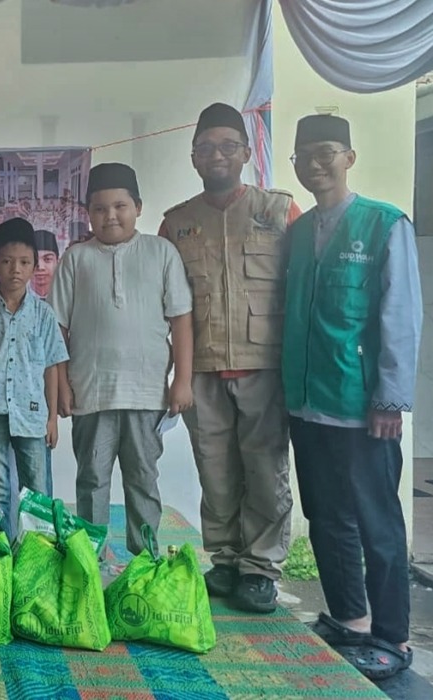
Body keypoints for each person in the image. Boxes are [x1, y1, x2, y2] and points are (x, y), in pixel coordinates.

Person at [283, 114, 422, 680]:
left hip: (362, 407)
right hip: (305, 400)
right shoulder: (297, 232)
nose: (316, 164)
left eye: (327, 152)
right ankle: (349, 618)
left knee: (376, 522)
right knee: (325, 516)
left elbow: (401, 315)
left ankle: (393, 638)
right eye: (305, 156)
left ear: (348, 157)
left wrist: (390, 398)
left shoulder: (384, 224)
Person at [159, 103, 301, 613]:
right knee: (214, 469)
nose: (215, 155)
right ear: (193, 157)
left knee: (265, 469)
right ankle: (224, 559)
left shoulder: (279, 211)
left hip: (265, 369)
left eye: (226, 146)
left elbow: (302, 292)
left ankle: (261, 567)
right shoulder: (176, 224)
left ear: (245, 152)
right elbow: (167, 307)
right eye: (205, 148)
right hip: (202, 371)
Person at [52, 163, 193, 556]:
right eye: (99, 208)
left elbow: (181, 319)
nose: (109, 216)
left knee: (143, 479)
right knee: (92, 479)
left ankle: (144, 561)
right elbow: (57, 330)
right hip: (90, 392)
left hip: (147, 392)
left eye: (120, 206)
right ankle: (88, 562)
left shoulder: (161, 252)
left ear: (138, 207)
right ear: (87, 213)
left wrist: (182, 380)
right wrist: (62, 384)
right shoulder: (76, 259)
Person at [0, 218, 68, 539]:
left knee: (36, 491)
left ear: (35, 266)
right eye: (7, 262)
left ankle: (35, 556)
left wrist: (52, 418)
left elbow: (52, 366)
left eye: (24, 262)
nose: (16, 270)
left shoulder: (43, 314)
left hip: (32, 414)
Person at [31, 229, 59, 299]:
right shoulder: (15, 297)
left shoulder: (67, 296)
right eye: (34, 259)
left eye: (47, 259)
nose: (40, 267)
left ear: (58, 262)